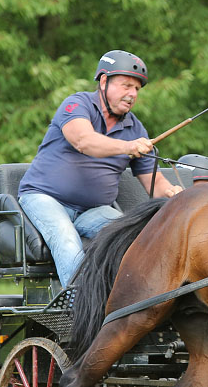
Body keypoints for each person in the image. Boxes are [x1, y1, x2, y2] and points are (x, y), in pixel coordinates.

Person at [18, 50, 183, 286]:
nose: (132, 94)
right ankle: (76, 308)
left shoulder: (136, 129)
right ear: (104, 81)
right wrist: (127, 147)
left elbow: (154, 183)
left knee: (133, 236)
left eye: (136, 89)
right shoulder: (77, 104)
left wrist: (171, 194)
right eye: (126, 85)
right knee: (66, 239)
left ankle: (127, 307)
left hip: (92, 210)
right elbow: (83, 141)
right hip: (44, 198)